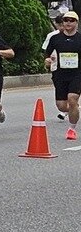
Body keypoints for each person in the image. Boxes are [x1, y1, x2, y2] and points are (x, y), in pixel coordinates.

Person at [44, 10, 81, 141]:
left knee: (72, 99)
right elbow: (47, 55)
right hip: (60, 75)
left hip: (77, 74)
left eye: (71, 20)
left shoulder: (79, 38)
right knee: (61, 105)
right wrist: (47, 61)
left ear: (76, 23)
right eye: (66, 20)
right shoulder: (55, 39)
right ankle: (74, 109)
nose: (68, 23)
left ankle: (72, 129)